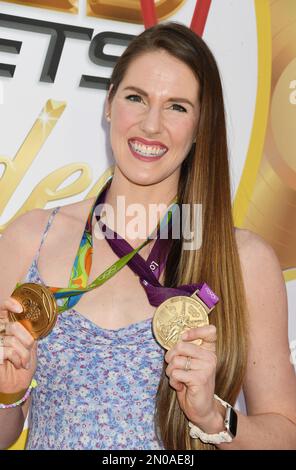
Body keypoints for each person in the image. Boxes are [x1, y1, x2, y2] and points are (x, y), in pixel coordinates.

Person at [0, 22, 295, 451]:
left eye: (176, 107)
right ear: (108, 104)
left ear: (200, 126)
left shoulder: (243, 260)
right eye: (136, 98)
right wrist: (10, 394)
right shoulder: (31, 238)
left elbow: (286, 435)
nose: (151, 125)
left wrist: (213, 418)